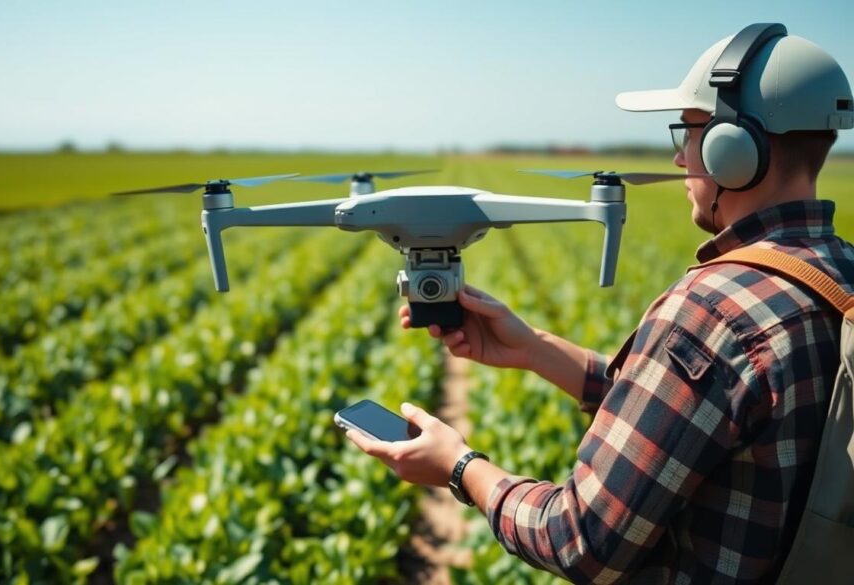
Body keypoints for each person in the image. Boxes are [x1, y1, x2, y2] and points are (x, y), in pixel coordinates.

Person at [345, 23, 854, 583]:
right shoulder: (841, 271)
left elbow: (580, 541)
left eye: (688, 133)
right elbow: (695, 419)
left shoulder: (712, 314)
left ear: (733, 149)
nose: (683, 161)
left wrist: (460, 468)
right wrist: (534, 348)